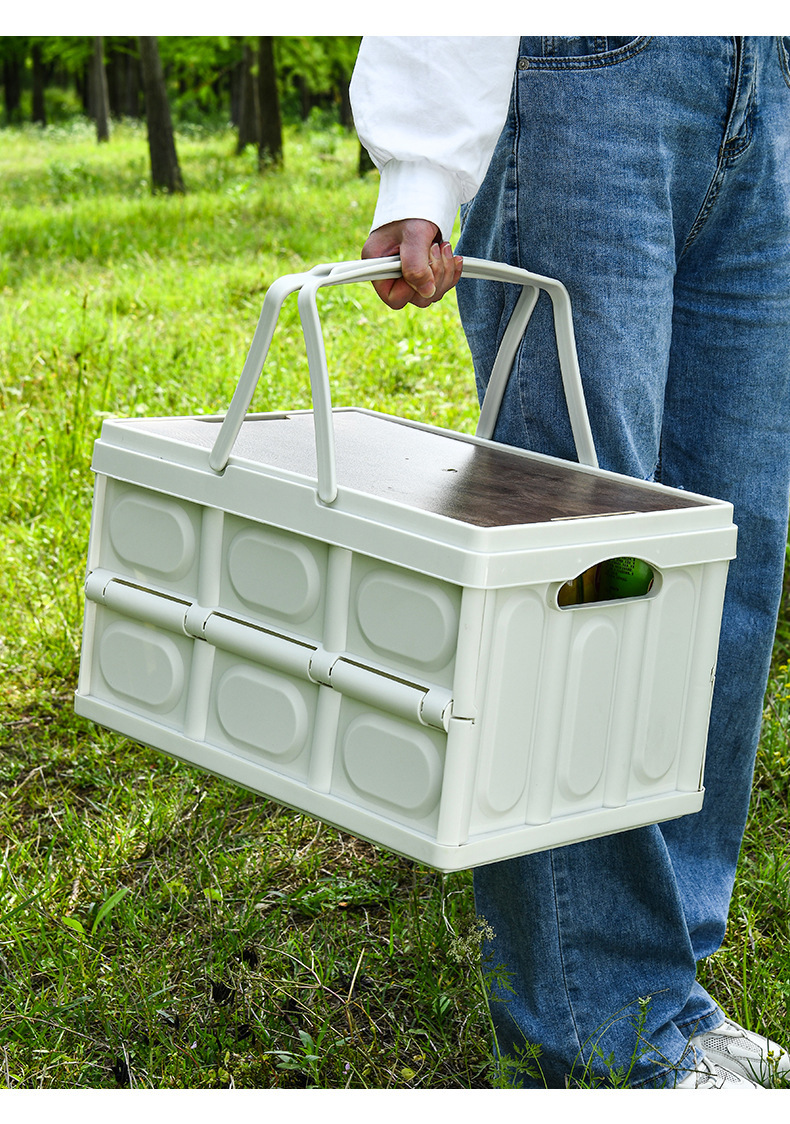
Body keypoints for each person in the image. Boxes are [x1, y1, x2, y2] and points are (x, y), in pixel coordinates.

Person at [350, 35, 790, 1089]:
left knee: (724, 554)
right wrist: (421, 164)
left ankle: (665, 981)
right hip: (591, 76)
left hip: (765, 83)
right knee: (582, 565)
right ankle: (595, 1019)